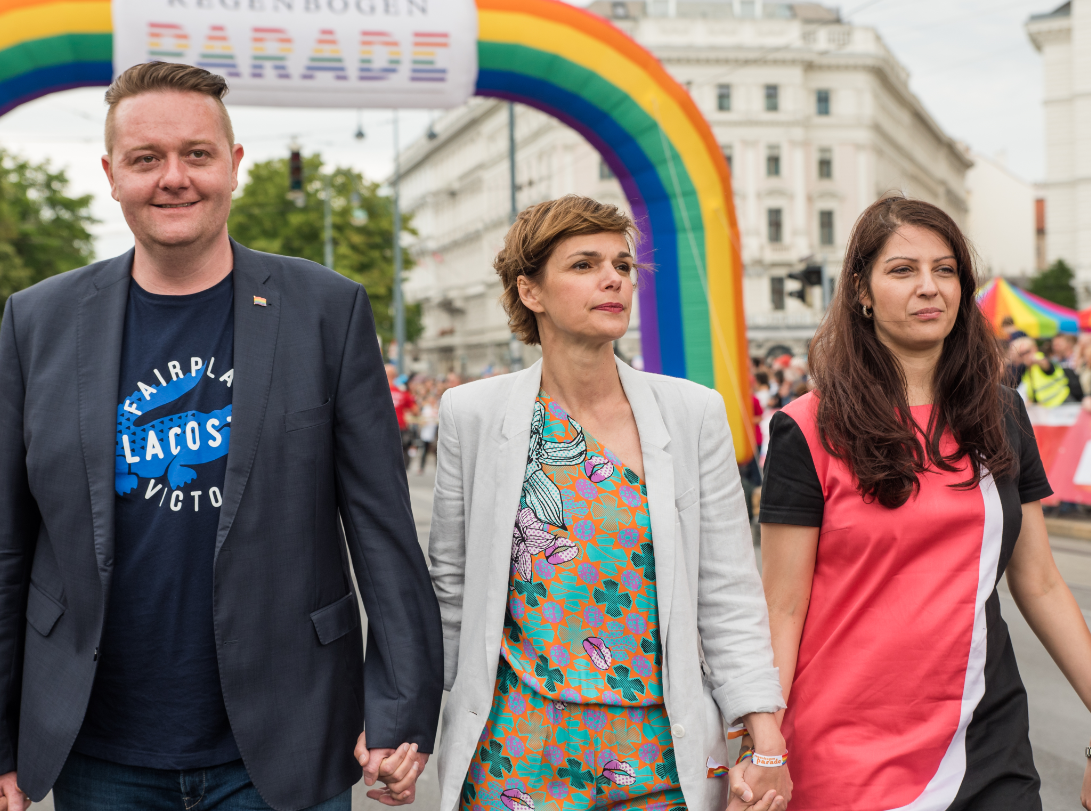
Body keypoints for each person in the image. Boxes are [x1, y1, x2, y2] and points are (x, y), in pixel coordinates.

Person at [0, 62, 443, 811]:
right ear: (112, 175)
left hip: (284, 738)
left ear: (234, 166)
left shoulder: (326, 311)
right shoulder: (36, 322)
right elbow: (9, 545)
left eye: (196, 154)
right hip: (98, 747)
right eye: (146, 159)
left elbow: (382, 530)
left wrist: (400, 707)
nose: (174, 178)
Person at [428, 196, 790, 811]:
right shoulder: (474, 414)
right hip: (515, 759)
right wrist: (405, 726)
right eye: (584, 264)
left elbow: (728, 591)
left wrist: (766, 742)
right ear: (530, 290)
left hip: (659, 757)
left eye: (622, 265)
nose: (612, 279)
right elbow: (451, 591)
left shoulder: (693, 413)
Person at [760, 194, 1091, 810]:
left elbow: (1041, 583)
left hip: (986, 740)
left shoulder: (1002, 414)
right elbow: (781, 610)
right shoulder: (804, 429)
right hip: (847, 758)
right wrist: (763, 745)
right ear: (861, 289)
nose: (929, 288)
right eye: (903, 270)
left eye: (945, 270)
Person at [387, 364, 419, 468]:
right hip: (400, 428)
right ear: (395, 376)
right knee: (400, 459)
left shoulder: (376, 393)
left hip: (383, 430)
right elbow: (415, 410)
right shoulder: (402, 393)